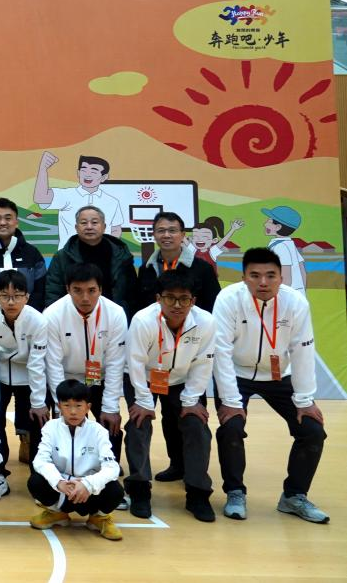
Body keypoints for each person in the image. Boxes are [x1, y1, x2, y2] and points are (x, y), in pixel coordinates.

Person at [213, 248, 328, 524]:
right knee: (231, 427)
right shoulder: (228, 298)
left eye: (270, 275)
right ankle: (235, 493)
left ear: (281, 277)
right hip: (236, 374)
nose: (263, 282)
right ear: (243, 278)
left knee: (312, 431)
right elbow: (221, 351)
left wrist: (305, 400)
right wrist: (231, 401)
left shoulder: (295, 302)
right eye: (254, 275)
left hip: (279, 376)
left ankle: (294, 496)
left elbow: (302, 350)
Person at [124, 271, 217, 522]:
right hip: (143, 377)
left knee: (196, 425)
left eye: (184, 299)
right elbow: (134, 361)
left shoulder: (206, 322)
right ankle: (139, 489)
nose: (177, 305)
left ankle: (198, 493)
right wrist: (143, 401)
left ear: (193, 300)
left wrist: (191, 400)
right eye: (170, 298)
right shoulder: (143, 320)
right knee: (139, 423)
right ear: (158, 298)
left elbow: (203, 363)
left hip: (182, 379)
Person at [43, 263, 127, 471]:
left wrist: (111, 407)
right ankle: (68, 469)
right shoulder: (52, 314)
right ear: (67, 289)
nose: (85, 298)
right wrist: (60, 405)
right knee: (67, 424)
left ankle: (107, 470)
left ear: (101, 289)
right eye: (77, 291)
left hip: (100, 376)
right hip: (67, 380)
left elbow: (116, 363)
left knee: (109, 423)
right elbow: (53, 364)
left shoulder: (116, 313)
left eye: (91, 290)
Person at [0, 269, 49, 500]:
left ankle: (40, 478)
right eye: (4, 296)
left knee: (37, 421)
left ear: (27, 297)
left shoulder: (38, 321)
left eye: (17, 296)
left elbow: (37, 364)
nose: (11, 302)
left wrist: (38, 402)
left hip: (29, 375)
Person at [28, 378, 125, 540]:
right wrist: (59, 482)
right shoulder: (50, 428)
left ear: (88, 407)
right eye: (67, 405)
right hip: (63, 490)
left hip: (89, 492)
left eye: (78, 406)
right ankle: (57, 513)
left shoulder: (98, 431)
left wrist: (88, 484)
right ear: (59, 406)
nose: (73, 412)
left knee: (115, 490)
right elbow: (40, 461)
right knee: (35, 481)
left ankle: (98, 517)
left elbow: (112, 467)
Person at [45, 205, 137, 310]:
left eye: (94, 222)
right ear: (76, 227)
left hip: (114, 315)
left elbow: (133, 293)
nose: (89, 227)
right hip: (74, 315)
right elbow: (53, 292)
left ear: (104, 227)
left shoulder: (121, 255)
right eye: (84, 223)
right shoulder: (62, 257)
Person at [135, 211, 221, 317]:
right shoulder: (146, 269)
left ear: (183, 235)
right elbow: (140, 306)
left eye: (172, 230)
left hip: (193, 326)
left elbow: (214, 306)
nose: (166, 235)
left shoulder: (203, 268)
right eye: (161, 231)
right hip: (154, 326)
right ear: (154, 235)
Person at [34, 152, 123, 248]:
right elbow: (40, 198)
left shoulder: (112, 201)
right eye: (84, 170)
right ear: (78, 173)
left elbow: (116, 229)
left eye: (93, 171)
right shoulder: (66, 195)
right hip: (70, 255)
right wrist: (43, 168)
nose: (87, 175)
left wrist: (108, 248)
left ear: (104, 177)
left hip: (101, 255)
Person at [262, 205, 308, 293]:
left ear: (278, 227)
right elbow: (302, 271)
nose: (265, 224)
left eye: (269, 221)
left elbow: (286, 278)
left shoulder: (281, 247)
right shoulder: (288, 243)